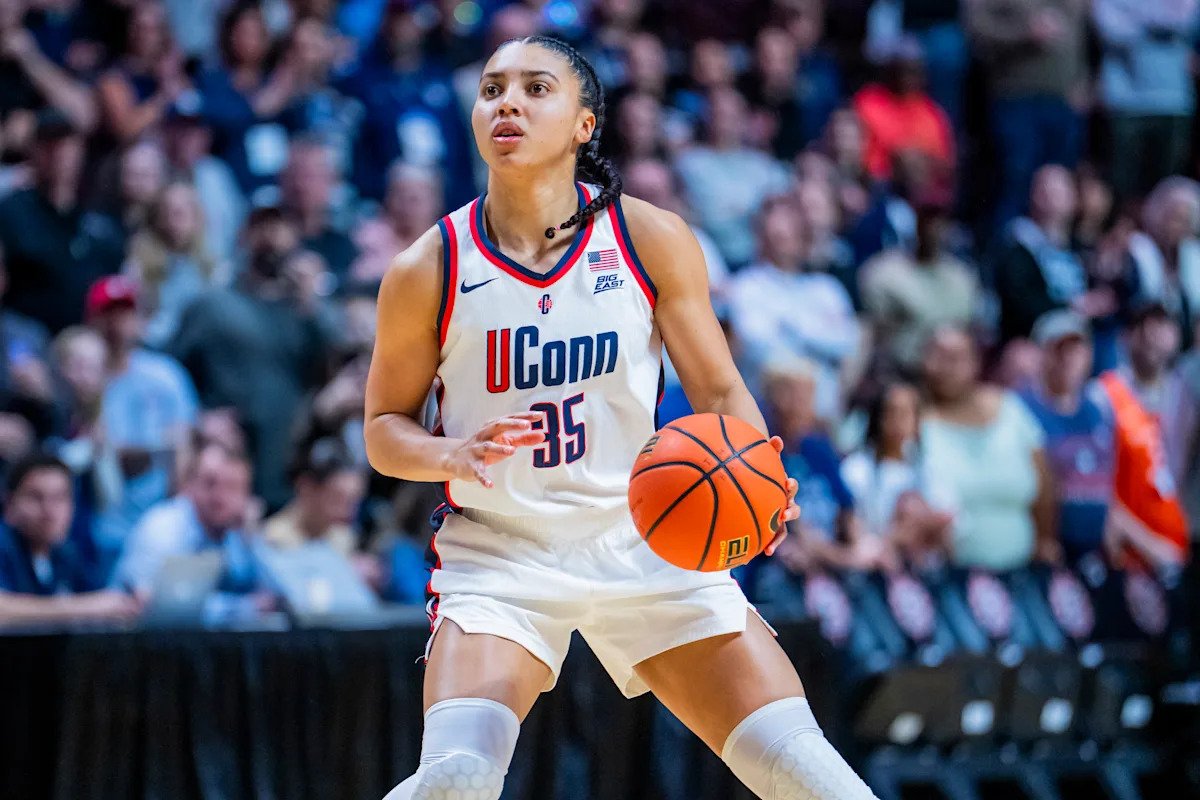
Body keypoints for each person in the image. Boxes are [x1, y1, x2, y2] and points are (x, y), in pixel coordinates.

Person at [365, 35, 877, 800]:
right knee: (457, 781)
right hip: (506, 555)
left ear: (584, 123)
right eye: (492, 88)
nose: (507, 102)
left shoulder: (648, 238)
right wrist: (449, 455)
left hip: (651, 539)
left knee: (813, 779)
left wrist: (763, 483)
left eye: (536, 88)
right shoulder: (428, 268)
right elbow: (382, 431)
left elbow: (720, 392)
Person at [920, 326, 1060, 571]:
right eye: (937, 356)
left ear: (975, 362)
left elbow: (1045, 487)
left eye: (955, 358)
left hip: (1022, 575)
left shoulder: (1011, 409)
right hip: (946, 583)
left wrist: (1044, 543)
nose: (946, 367)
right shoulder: (915, 421)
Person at [84, 275, 199, 568]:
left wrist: (172, 519)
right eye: (109, 313)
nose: (118, 323)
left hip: (156, 522)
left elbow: (183, 450)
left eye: (126, 313)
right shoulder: (83, 378)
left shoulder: (165, 376)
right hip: (101, 526)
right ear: (92, 319)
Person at [728, 196, 860, 421]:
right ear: (763, 238)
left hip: (824, 416)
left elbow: (846, 342)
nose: (785, 243)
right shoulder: (746, 286)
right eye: (777, 236)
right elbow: (757, 345)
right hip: (767, 413)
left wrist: (794, 327)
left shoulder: (827, 289)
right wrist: (818, 333)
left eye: (792, 234)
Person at [0, 111, 124, 333]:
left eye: (67, 146)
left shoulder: (98, 220)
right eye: (49, 145)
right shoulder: (11, 212)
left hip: (88, 343)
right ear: (34, 152)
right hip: (26, 336)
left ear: (80, 152)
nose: (58, 154)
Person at [1097, 301, 1194, 571]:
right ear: (1127, 336)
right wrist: (1146, 543)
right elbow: (1095, 482)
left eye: (1162, 325)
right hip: (1128, 555)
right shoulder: (1105, 395)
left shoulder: (1185, 395)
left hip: (1182, 551)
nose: (1153, 336)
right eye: (1144, 327)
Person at [1018, 311, 1118, 565]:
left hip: (1097, 552)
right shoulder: (1021, 410)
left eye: (1076, 350)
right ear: (1040, 354)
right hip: (1047, 553)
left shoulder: (1099, 407)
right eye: (1058, 349)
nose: (1067, 359)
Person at [110, 442, 264, 604]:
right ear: (188, 484)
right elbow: (147, 603)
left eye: (232, 487)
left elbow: (276, 596)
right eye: (210, 483)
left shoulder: (239, 531)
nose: (220, 497)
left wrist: (253, 539)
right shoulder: (163, 528)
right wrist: (242, 608)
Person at [0, 453, 141, 625]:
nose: (49, 511)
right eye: (36, 497)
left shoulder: (67, 553)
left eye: (60, 498)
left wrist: (127, 603)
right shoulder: (4, 544)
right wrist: (82, 607)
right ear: (9, 505)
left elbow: (100, 600)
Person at [860, 192, 978, 376]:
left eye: (941, 221)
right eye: (928, 220)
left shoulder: (962, 279)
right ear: (915, 222)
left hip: (948, 379)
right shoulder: (885, 274)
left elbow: (967, 332)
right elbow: (874, 337)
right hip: (900, 374)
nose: (934, 229)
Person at [1093, 0, 1199, 202]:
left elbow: (1186, 20)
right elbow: (1110, 28)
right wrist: (1160, 19)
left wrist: (1137, 18)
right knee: (1121, 190)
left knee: (1168, 192)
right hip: (1125, 102)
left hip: (1174, 102)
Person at [124, 180, 223, 347]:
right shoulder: (139, 264)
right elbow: (131, 316)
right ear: (157, 218)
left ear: (196, 217)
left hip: (198, 346)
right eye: (168, 212)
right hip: (154, 345)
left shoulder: (211, 264)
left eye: (181, 213)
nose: (174, 220)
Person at [851, 36, 954, 182]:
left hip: (922, 194)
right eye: (901, 70)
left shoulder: (931, 113)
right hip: (876, 187)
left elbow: (943, 164)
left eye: (913, 71)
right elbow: (857, 158)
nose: (907, 77)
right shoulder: (868, 102)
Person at [350, 162, 444, 286]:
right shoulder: (367, 240)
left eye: (414, 200)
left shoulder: (449, 244)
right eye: (399, 197)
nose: (405, 207)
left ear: (435, 203)